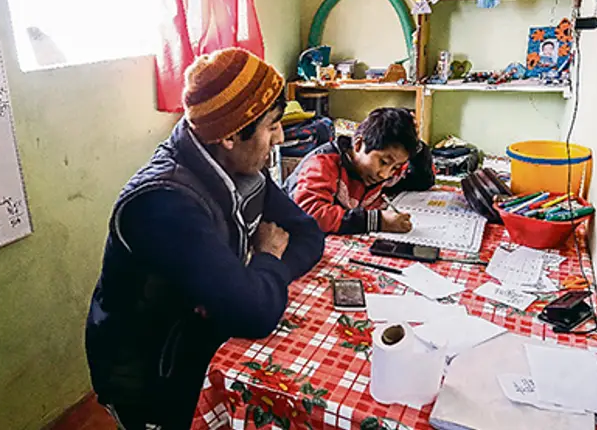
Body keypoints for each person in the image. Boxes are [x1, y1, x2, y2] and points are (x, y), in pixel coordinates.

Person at [86, 49, 325, 430]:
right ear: (230, 135)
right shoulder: (163, 202)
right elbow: (256, 314)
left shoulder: (238, 167)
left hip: (198, 342)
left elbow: (308, 235)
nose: (280, 138)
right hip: (150, 373)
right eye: (272, 125)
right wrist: (266, 263)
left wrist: (251, 283)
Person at [283, 107, 435, 235]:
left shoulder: (382, 170)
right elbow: (311, 214)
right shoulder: (323, 164)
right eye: (383, 162)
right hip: (294, 238)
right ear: (358, 144)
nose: (385, 174)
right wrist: (377, 221)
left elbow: (422, 181)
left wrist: (418, 147)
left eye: (395, 167)